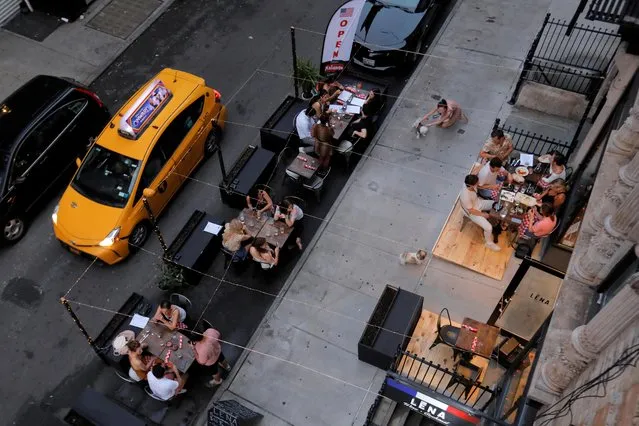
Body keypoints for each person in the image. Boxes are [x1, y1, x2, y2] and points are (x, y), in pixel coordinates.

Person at [460, 174, 501, 251]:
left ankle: (498, 220)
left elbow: (479, 186)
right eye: (476, 183)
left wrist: (491, 187)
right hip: (472, 212)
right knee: (488, 228)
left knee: (495, 203)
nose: (478, 183)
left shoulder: (469, 183)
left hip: (478, 203)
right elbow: (471, 210)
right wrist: (483, 214)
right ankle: (489, 244)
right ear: (472, 185)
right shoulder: (465, 196)